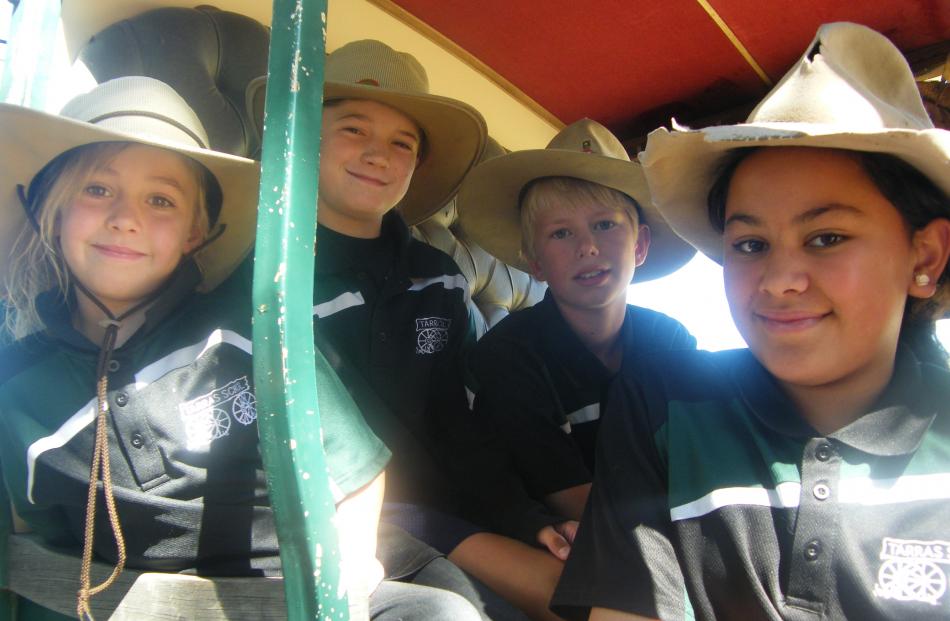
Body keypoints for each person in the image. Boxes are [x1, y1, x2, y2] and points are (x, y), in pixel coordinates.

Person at [0, 76, 481, 621]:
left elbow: (355, 470)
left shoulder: (248, 333)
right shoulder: (14, 381)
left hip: (289, 589)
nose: (126, 218)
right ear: (52, 211)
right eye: (96, 190)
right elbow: (39, 549)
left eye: (160, 199)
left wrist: (341, 583)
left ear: (195, 233)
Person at [552, 22, 950, 621]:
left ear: (924, 258)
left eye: (826, 237)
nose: (779, 279)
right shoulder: (664, 411)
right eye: (749, 244)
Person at [311, 39, 572, 621]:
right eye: (354, 129)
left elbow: (460, 423)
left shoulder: (438, 277)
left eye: (402, 142)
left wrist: (523, 518)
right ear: (304, 137)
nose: (378, 154)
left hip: (448, 507)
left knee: (599, 588)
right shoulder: (270, 272)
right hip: (342, 517)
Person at [454, 118, 695, 558]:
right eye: (561, 233)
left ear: (640, 246)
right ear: (536, 264)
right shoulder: (510, 357)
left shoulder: (670, 340)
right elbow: (572, 499)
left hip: (665, 533)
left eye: (605, 225)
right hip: (570, 540)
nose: (587, 247)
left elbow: (695, 461)